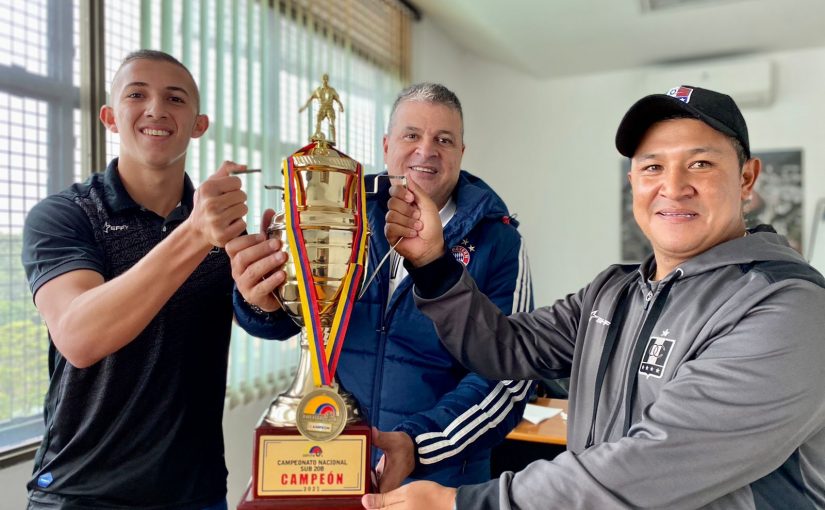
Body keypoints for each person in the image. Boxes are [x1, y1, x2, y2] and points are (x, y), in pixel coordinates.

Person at [366, 85, 825, 509]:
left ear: (747, 178)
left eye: (700, 163)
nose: (673, 185)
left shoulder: (789, 308)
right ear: (633, 184)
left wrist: (462, 503)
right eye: (652, 166)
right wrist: (433, 262)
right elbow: (500, 346)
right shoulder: (614, 292)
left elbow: (652, 465)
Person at [228, 83, 534, 491]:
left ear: (461, 154)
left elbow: (509, 378)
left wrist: (418, 443)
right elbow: (292, 322)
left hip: (436, 482)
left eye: (444, 140)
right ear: (386, 145)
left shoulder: (499, 241)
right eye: (412, 135)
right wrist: (261, 301)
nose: (426, 150)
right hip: (328, 461)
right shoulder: (342, 214)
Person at [21, 50, 249, 509]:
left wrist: (270, 290)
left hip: (195, 492)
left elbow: (268, 321)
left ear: (198, 124)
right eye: (137, 94)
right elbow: (79, 336)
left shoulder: (223, 225)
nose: (156, 109)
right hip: (82, 491)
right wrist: (194, 235)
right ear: (110, 117)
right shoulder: (65, 216)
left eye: (175, 98)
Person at [299, 73, 344, 143]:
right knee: (318, 120)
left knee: (331, 122)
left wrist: (341, 106)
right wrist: (303, 107)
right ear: (322, 79)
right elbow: (310, 99)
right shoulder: (318, 90)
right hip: (322, 107)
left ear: (328, 80)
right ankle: (316, 134)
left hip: (329, 107)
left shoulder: (331, 90)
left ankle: (334, 139)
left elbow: (338, 100)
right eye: (324, 78)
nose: (325, 80)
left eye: (326, 79)